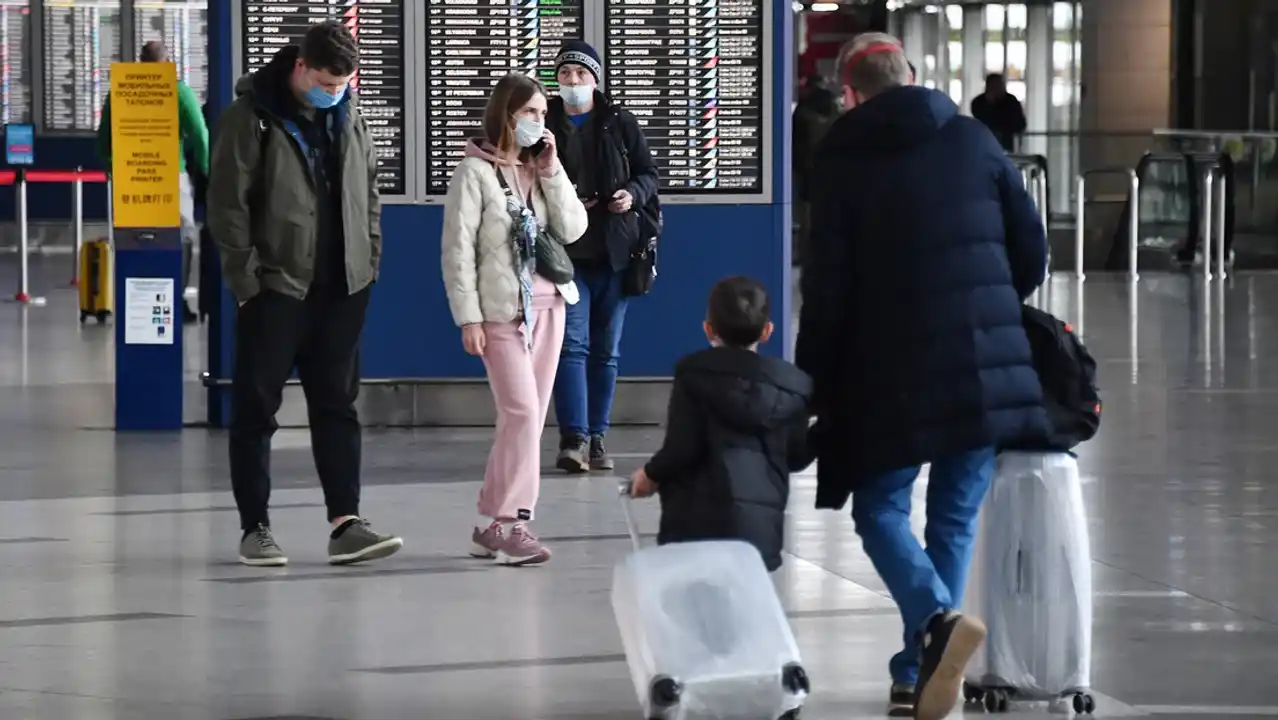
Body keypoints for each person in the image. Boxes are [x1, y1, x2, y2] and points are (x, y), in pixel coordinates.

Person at [796, 34, 1050, 720]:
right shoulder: (974, 140)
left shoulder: (841, 156)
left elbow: (827, 287)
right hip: (979, 363)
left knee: (879, 508)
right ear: (912, 75)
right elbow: (1032, 248)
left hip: (889, 369)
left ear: (849, 94)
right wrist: (993, 299)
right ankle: (916, 669)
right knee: (954, 518)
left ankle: (932, 629)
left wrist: (812, 381)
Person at [207, 20, 402, 567]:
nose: (333, 91)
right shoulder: (250, 119)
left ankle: (346, 523)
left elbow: (368, 191)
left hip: (343, 289)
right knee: (256, 409)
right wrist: (247, 284)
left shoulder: (349, 114)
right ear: (299, 67)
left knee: (337, 406)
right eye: (324, 81)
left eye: (343, 83)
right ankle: (256, 528)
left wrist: (370, 260)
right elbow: (227, 206)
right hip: (276, 289)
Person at [443, 72, 589, 566]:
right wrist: (468, 318)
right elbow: (457, 251)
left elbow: (572, 229)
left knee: (522, 420)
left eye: (543, 115)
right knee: (523, 415)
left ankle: (489, 522)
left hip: (550, 308)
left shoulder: (539, 169)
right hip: (503, 314)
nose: (539, 123)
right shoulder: (474, 173)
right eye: (530, 113)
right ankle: (512, 523)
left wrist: (552, 171)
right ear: (507, 115)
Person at [629, 277, 813, 572]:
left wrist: (650, 475)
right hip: (758, 534)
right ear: (767, 331)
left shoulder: (694, 374)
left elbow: (682, 447)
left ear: (708, 329)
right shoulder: (792, 389)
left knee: (696, 612)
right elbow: (797, 456)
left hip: (694, 527)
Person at [545, 40, 659, 474]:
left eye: (581, 74)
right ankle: (573, 438)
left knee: (605, 351)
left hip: (615, 252)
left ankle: (596, 437)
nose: (573, 82)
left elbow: (649, 174)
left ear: (595, 79)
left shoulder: (619, 123)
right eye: (566, 74)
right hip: (565, 254)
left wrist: (631, 195)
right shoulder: (544, 121)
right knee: (571, 347)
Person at [96, 40, 207, 323]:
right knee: (181, 237)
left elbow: (103, 140)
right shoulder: (178, 90)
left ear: (140, 62)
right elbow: (199, 135)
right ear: (169, 63)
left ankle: (135, 303)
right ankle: (176, 301)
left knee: (134, 238)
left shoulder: (120, 91)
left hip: (132, 176)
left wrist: (114, 167)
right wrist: (207, 171)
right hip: (171, 176)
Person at [971, 73, 1027, 152]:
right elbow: (982, 121)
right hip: (985, 144)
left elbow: (1020, 123)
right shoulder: (979, 102)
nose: (997, 88)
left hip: (1008, 144)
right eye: (994, 85)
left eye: (1000, 85)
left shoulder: (1011, 101)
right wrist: (990, 104)